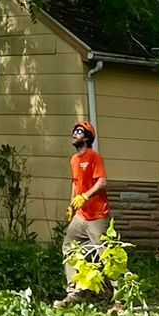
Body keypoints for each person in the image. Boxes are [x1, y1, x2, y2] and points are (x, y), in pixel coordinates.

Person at [62, 117, 112, 300]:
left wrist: (86, 196)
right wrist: (71, 205)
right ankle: (74, 293)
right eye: (74, 131)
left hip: (97, 216)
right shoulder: (74, 159)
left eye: (79, 132)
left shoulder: (94, 156)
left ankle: (121, 296)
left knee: (105, 254)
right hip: (81, 216)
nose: (74, 134)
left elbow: (102, 182)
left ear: (87, 137)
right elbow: (75, 184)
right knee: (69, 247)